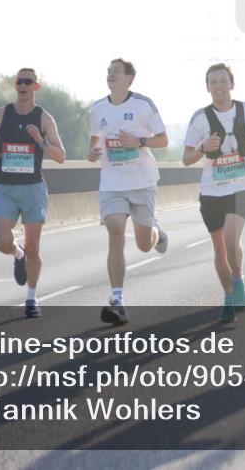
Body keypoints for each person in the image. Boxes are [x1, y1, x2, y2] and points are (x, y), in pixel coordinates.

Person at [183, 63, 245, 322]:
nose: (218, 87)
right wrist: (202, 147)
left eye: (223, 81)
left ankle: (238, 281)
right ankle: (230, 295)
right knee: (220, 249)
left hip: (242, 185)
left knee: (232, 238)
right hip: (211, 191)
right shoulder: (199, 118)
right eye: (213, 82)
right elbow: (186, 158)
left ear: (231, 84)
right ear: (207, 87)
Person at [88, 59, 169, 325]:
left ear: (130, 78)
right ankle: (117, 299)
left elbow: (163, 139)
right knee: (115, 233)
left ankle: (156, 232)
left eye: (116, 72)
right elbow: (95, 140)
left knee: (143, 244)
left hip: (142, 181)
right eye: (109, 71)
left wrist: (139, 141)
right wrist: (93, 151)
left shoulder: (143, 105)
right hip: (112, 183)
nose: (111, 75)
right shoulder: (98, 108)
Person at [0, 68, 66, 318]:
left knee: (34, 249)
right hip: (5, 187)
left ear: (35, 87)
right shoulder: (0, 115)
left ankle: (31, 298)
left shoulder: (44, 119)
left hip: (33, 189)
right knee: (1, 241)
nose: (23, 85)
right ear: (16, 84)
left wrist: (39, 140)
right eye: (20, 81)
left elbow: (61, 156)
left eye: (28, 82)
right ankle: (16, 254)